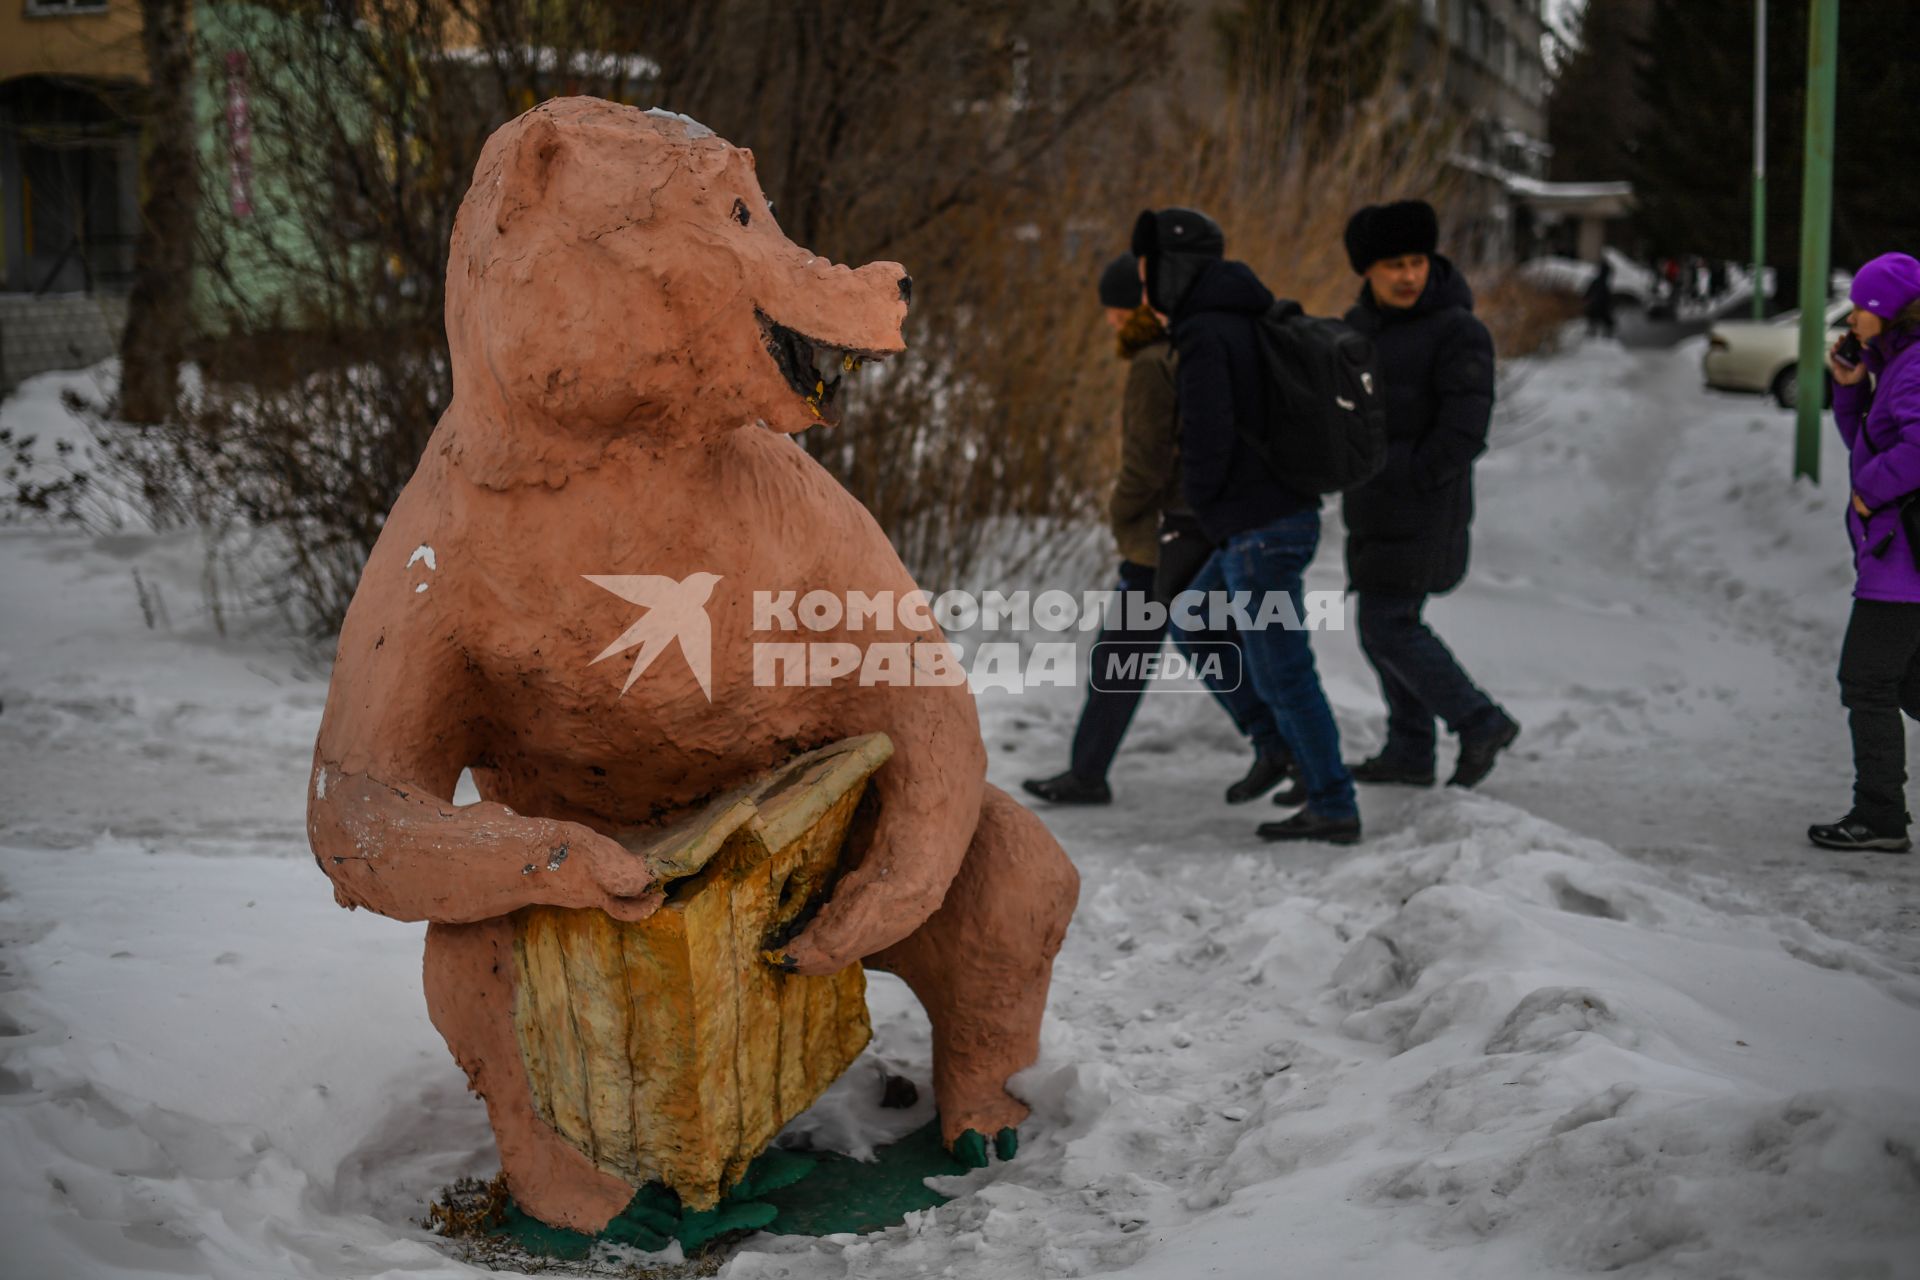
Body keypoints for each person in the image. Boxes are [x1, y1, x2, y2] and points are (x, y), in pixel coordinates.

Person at [1023, 255, 1298, 807]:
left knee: (1138, 652)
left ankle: (1280, 747)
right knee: (1196, 643)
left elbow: (1146, 463)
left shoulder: (1153, 363)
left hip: (1163, 535)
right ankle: (1284, 748)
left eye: (1115, 310)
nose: (1110, 322)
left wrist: (1121, 510)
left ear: (1135, 310)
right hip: (1198, 526)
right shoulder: (1189, 351)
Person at [1133, 207, 1360, 844]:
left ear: (1175, 270)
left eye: (1150, 268)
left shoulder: (1208, 332)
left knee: (1285, 669)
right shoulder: (1241, 316)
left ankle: (1333, 802)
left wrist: (1204, 505)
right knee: (1193, 618)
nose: (1144, 283)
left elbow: (1207, 435)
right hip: (1266, 523)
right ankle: (1277, 746)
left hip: (1261, 529)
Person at [1340, 200, 1519, 790]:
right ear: (1368, 270)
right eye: (1393, 264)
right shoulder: (1356, 329)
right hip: (1370, 507)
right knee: (1381, 625)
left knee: (1388, 625)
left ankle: (1479, 720)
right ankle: (1411, 750)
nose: (1408, 275)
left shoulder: (1458, 330)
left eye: (1417, 261)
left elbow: (1465, 429)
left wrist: (1406, 474)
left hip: (1425, 505)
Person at [1811, 251, 1920, 854]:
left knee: (1867, 681)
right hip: (1897, 555)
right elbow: (1870, 444)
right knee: (1910, 686)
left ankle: (1880, 817)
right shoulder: (1897, 363)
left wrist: (1866, 495)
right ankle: (1880, 813)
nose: (1852, 319)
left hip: (1904, 562)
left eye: (1861, 308)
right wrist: (1851, 392)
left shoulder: (1915, 367)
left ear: (1889, 311)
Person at [1584, 256, 1616, 338]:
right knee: (1604, 321)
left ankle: (1594, 333)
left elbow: (1588, 293)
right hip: (1598, 306)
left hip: (1597, 307)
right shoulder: (1602, 283)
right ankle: (1595, 334)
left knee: (1599, 321)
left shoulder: (1598, 282)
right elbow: (1605, 296)